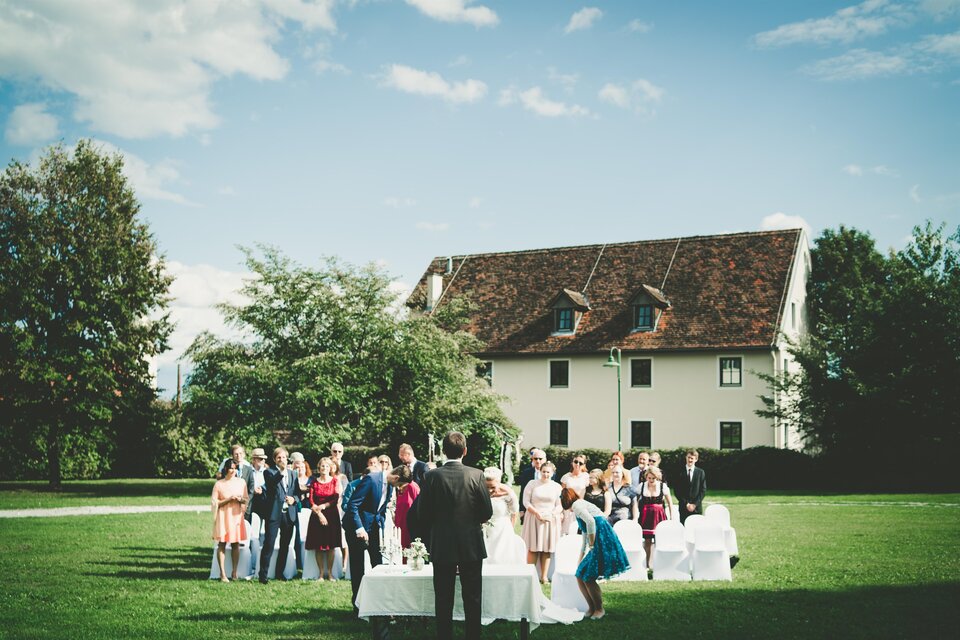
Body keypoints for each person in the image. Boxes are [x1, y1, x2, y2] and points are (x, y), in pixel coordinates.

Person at [413, 431, 492, 640]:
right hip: (471, 543)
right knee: (473, 597)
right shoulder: (476, 475)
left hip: (442, 543)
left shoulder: (431, 476)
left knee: (443, 597)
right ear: (465, 451)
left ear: (442, 451)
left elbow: (422, 513)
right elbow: (487, 512)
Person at [560, 488, 630, 620]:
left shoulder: (577, 505)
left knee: (588, 576)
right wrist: (581, 556)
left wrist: (592, 544)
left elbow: (591, 522)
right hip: (596, 538)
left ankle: (599, 608)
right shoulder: (578, 507)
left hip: (602, 537)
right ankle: (591, 607)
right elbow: (585, 533)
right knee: (580, 574)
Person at [342, 458, 393, 617]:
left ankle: (379, 604)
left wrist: (381, 525)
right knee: (358, 568)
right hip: (356, 529)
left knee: (378, 564)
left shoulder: (390, 485)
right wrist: (359, 528)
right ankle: (358, 606)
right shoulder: (371, 480)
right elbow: (352, 505)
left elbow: (380, 509)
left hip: (374, 529)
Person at [257, 447, 299, 584]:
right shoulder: (269, 472)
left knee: (285, 545)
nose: (282, 460)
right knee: (269, 543)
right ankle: (263, 575)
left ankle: (280, 572)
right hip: (274, 513)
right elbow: (271, 483)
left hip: (289, 514)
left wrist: (294, 500)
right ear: (275, 459)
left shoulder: (293, 474)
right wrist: (281, 471)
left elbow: (297, 493)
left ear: (287, 459)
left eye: (284, 457)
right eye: (278, 458)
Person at [521, 460, 562, 583]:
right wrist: (536, 513)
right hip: (534, 517)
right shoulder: (532, 484)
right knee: (533, 548)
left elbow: (560, 505)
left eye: (548, 472)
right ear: (540, 471)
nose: (545, 474)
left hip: (550, 520)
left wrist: (551, 514)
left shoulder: (557, 487)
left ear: (552, 473)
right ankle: (530, 575)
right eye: (543, 471)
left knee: (546, 549)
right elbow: (526, 502)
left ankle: (544, 577)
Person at [211, 458, 249, 582]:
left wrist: (239, 499)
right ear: (226, 469)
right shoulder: (219, 484)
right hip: (223, 516)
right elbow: (214, 502)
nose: (233, 471)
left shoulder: (241, 482)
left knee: (235, 543)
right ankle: (222, 574)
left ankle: (234, 572)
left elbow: (246, 499)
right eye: (231, 468)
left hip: (236, 515)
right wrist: (228, 499)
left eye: (235, 468)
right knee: (221, 543)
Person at [305, 456, 341, 581]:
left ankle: (330, 573)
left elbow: (335, 499)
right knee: (318, 546)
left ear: (330, 468)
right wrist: (319, 514)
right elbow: (311, 500)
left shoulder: (335, 481)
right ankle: (320, 573)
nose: (324, 468)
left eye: (326, 466)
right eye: (322, 466)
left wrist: (323, 507)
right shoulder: (314, 482)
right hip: (316, 516)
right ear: (319, 468)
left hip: (331, 515)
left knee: (331, 545)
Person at [482, 466, 519, 564]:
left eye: (493, 487)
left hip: (503, 529)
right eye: (487, 487)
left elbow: (514, 512)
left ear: (499, 483)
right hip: (485, 528)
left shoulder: (507, 493)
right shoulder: (480, 491)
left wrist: (510, 530)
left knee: (501, 556)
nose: (489, 490)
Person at [638, 467, 672, 567]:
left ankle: (660, 564)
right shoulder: (642, 486)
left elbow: (670, 502)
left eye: (654, 478)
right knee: (647, 541)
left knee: (660, 540)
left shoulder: (662, 486)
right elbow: (635, 500)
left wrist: (671, 517)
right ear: (646, 477)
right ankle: (647, 564)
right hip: (646, 516)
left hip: (659, 515)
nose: (651, 480)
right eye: (649, 478)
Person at [518, 448, 555, 524]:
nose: (538, 461)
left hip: (547, 509)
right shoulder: (526, 473)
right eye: (535, 459)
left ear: (545, 459)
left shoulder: (552, 474)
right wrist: (521, 510)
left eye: (540, 459)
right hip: (530, 509)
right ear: (532, 459)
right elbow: (522, 492)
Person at [290, 452, 312, 571]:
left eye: (302, 466)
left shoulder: (311, 479)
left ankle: (306, 562)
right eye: (297, 466)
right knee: (296, 536)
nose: (299, 468)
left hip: (308, 510)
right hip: (295, 510)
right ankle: (297, 561)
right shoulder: (292, 478)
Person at [559, 454, 589, 535]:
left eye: (581, 463)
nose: (577, 464)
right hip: (568, 509)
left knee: (579, 532)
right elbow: (562, 495)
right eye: (576, 462)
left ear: (584, 465)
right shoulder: (566, 477)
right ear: (572, 463)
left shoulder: (586, 477)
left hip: (580, 508)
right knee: (566, 532)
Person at [676, 449, 706, 524]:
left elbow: (703, 490)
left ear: (696, 459)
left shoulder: (700, 472)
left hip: (696, 508)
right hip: (683, 507)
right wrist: (686, 504)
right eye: (688, 457)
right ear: (686, 457)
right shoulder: (679, 472)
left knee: (696, 530)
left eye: (692, 458)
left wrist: (694, 504)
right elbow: (677, 490)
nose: (690, 460)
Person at [247, 447, 269, 523]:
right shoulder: (248, 470)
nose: (263, 461)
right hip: (250, 500)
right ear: (254, 459)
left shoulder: (267, 471)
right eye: (260, 459)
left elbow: (270, 485)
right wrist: (253, 490)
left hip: (263, 501)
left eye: (263, 459)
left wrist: (262, 488)